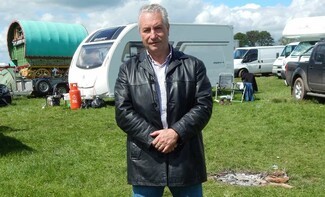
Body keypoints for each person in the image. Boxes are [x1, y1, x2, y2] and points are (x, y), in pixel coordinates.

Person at [114, 3, 213, 197]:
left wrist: (176, 133)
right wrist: (155, 138)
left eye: (158, 27)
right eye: (147, 30)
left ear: (168, 29)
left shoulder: (193, 66)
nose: (153, 34)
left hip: (186, 158)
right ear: (140, 33)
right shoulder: (128, 69)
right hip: (145, 159)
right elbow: (122, 111)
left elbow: (203, 106)